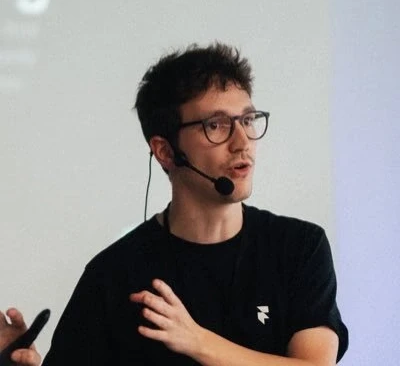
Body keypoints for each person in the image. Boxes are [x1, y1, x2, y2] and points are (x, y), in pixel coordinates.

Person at [8, 42, 349, 365]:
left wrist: (198, 342)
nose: (242, 142)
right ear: (166, 151)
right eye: (216, 125)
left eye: (247, 120)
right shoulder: (114, 275)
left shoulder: (298, 248)